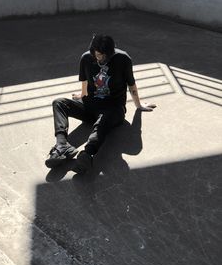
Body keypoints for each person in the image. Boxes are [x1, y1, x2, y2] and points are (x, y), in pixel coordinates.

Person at [45, 34, 156, 173]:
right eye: (97, 55)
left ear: (112, 52)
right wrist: (82, 94)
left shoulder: (123, 59)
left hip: (113, 110)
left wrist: (138, 106)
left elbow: (131, 84)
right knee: (59, 103)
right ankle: (61, 145)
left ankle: (87, 155)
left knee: (102, 122)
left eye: (103, 56)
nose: (99, 59)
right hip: (90, 107)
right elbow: (84, 80)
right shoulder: (86, 57)